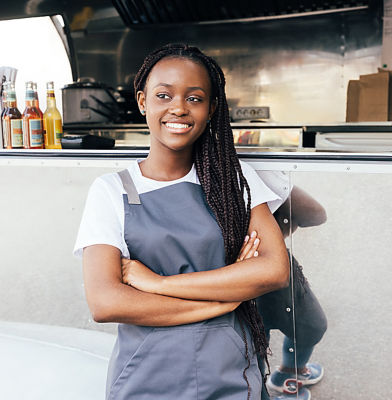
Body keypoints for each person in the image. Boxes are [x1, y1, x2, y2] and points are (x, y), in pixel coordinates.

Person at [73, 43, 290, 400]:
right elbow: (106, 302)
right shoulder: (111, 191)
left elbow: (273, 271)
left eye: (195, 98)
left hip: (232, 373)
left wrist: (157, 283)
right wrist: (223, 301)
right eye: (163, 95)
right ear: (143, 101)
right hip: (147, 377)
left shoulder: (235, 179)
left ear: (211, 108)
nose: (178, 108)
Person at [255, 177, 328, 400]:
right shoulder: (261, 171)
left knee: (253, 338)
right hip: (266, 262)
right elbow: (315, 214)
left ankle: (285, 374)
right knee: (308, 326)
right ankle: (281, 378)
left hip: (226, 269)